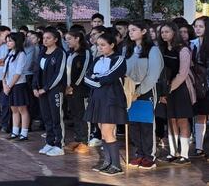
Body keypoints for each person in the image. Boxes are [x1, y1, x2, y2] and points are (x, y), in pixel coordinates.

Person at [84, 32, 128, 175]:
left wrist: (97, 80)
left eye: (103, 45)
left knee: (108, 132)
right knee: (102, 132)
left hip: (112, 99)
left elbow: (110, 76)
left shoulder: (119, 59)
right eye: (98, 45)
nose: (100, 48)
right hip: (97, 98)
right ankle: (107, 162)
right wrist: (97, 81)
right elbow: (87, 77)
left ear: (112, 45)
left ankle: (116, 165)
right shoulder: (97, 60)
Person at [124, 21, 163, 170]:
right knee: (134, 124)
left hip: (146, 90)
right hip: (129, 90)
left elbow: (153, 74)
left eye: (134, 30)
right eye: (129, 30)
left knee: (146, 124)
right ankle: (139, 153)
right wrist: (129, 90)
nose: (130, 32)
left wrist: (139, 91)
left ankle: (149, 156)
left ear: (144, 31)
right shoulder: (129, 49)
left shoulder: (153, 50)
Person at [158, 22, 194, 165]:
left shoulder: (183, 49)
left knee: (182, 120)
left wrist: (169, 89)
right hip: (167, 89)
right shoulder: (162, 49)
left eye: (167, 32)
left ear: (174, 32)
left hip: (180, 89)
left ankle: (184, 154)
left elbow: (182, 73)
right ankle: (173, 152)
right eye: (162, 32)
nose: (164, 34)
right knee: (171, 120)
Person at [34, 27, 67, 156]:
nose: (45, 40)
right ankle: (50, 142)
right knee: (46, 117)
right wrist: (35, 87)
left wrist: (46, 88)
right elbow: (37, 71)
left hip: (55, 90)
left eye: (48, 38)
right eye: (44, 38)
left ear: (55, 39)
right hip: (42, 91)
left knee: (56, 117)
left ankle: (59, 144)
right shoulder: (42, 52)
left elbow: (59, 74)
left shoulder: (60, 53)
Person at [64, 28, 92, 154]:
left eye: (69, 39)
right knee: (75, 114)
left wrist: (73, 86)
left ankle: (85, 141)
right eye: (66, 39)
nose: (67, 42)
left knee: (82, 114)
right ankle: (77, 138)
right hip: (70, 89)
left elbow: (84, 71)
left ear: (77, 38)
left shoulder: (85, 53)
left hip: (81, 89)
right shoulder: (70, 53)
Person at [2, 32, 30, 141]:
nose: (8, 43)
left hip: (18, 85)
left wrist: (9, 85)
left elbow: (18, 73)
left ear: (16, 42)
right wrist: (4, 84)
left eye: (10, 41)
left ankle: (24, 133)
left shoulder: (21, 54)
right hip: (9, 85)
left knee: (22, 109)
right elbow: (4, 71)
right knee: (13, 109)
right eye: (7, 41)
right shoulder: (10, 54)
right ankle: (15, 132)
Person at [192, 16, 209, 158]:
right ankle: (199, 147)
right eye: (196, 26)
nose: (197, 29)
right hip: (198, 85)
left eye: (201, 26)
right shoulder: (192, 44)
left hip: (206, 83)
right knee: (200, 115)